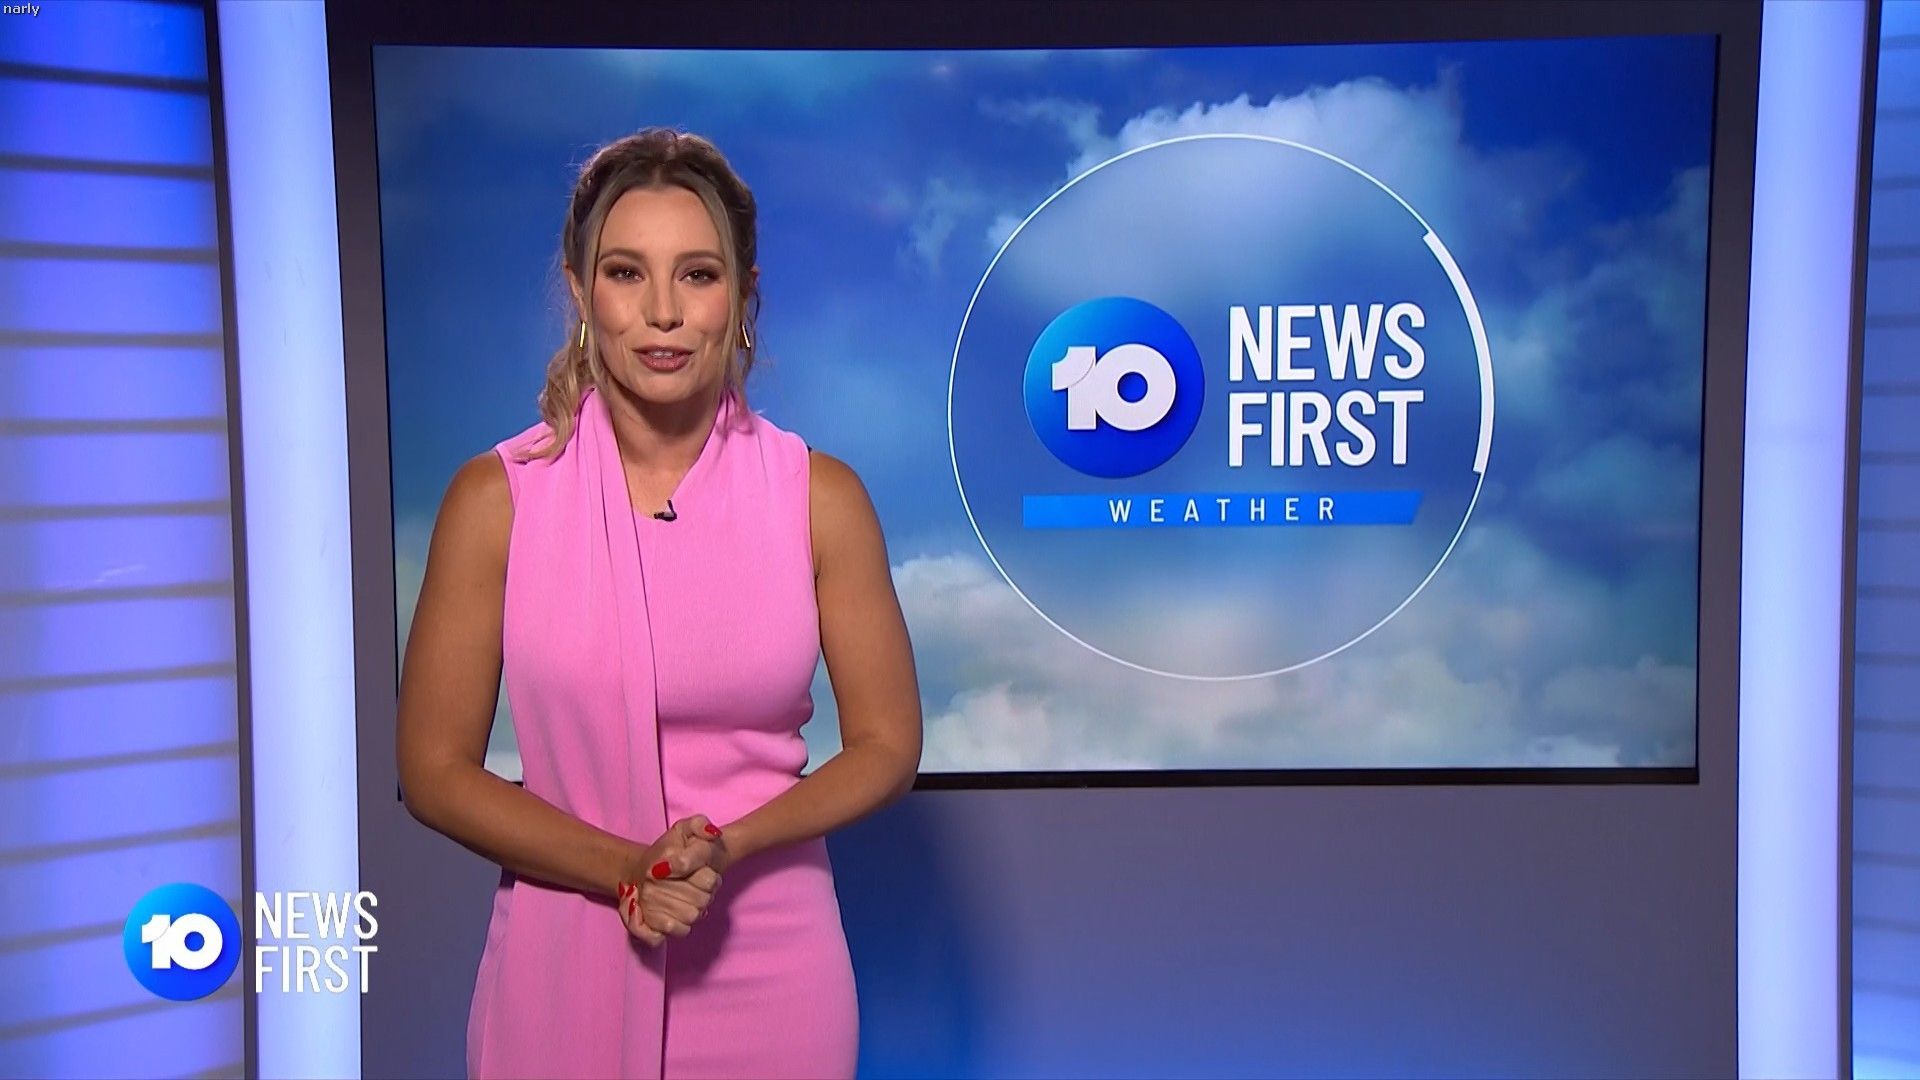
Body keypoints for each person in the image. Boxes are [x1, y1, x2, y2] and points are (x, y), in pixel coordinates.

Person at [395, 127, 923, 1079]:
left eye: (698, 275)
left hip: (772, 963)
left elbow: (888, 744)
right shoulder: (496, 501)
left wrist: (727, 844)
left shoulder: (820, 499)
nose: (665, 313)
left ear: (743, 296)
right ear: (580, 291)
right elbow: (433, 771)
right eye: (627, 273)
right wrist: (625, 868)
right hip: (566, 951)